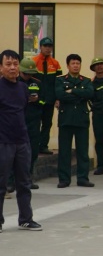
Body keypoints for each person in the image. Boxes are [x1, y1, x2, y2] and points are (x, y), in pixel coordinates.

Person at [0, 50, 40, 231]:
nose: (12, 68)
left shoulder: (23, 88)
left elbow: (22, 111)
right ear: (1, 67)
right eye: (8, 64)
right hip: (3, 142)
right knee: (1, 183)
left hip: (22, 141)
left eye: (15, 64)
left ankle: (26, 218)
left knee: (24, 183)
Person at [55, 53, 94, 188]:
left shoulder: (86, 80)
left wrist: (72, 91)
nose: (76, 66)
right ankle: (64, 179)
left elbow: (90, 93)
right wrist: (78, 95)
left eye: (78, 63)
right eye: (73, 63)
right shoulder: (60, 80)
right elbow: (60, 95)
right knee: (64, 151)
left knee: (82, 151)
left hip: (81, 119)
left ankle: (83, 178)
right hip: (66, 119)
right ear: (68, 65)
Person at [32, 37, 61, 154]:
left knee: (47, 123)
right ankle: (33, 145)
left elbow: (59, 83)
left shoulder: (55, 64)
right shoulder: (33, 62)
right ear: (40, 47)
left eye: (50, 46)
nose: (48, 48)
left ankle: (43, 146)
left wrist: (58, 98)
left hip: (49, 99)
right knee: (34, 122)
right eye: (45, 46)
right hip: (35, 100)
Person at [16, 58, 41, 191]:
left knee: (32, 151)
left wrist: (37, 101)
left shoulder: (37, 83)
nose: (28, 76)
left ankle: (28, 178)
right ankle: (11, 181)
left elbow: (44, 101)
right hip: (18, 122)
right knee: (14, 153)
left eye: (31, 74)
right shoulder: (14, 83)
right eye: (26, 74)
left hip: (34, 122)